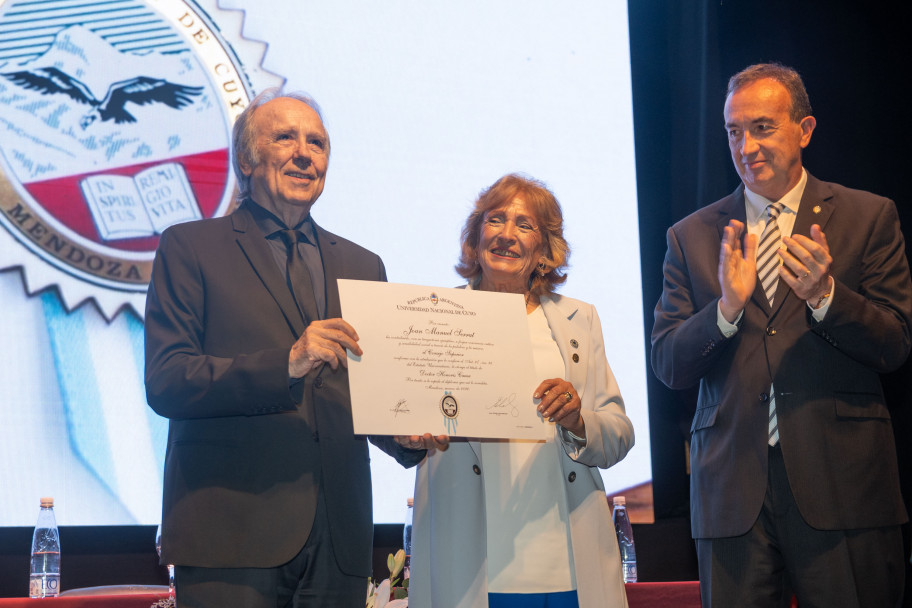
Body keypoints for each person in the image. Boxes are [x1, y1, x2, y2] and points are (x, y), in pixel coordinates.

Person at [144, 88, 424, 608]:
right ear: (247, 159)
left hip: (339, 539)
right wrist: (287, 364)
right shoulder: (189, 247)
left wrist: (409, 434)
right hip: (232, 532)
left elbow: (368, 392)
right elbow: (168, 380)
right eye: (285, 137)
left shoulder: (364, 266)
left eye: (317, 142)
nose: (304, 153)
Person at [651, 63, 911, 607]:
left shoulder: (868, 217)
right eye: (732, 131)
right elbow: (670, 365)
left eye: (763, 127)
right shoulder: (692, 236)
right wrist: (724, 308)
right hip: (731, 495)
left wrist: (826, 297)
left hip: (843, 486)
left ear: (805, 130)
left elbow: (894, 343)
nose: (746, 146)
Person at [404, 173, 635, 608]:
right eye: (495, 220)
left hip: (567, 562)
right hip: (471, 565)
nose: (507, 235)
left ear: (545, 251)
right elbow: (406, 418)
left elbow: (620, 433)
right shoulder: (434, 317)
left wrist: (577, 420)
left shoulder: (579, 321)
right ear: (475, 237)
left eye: (524, 225)